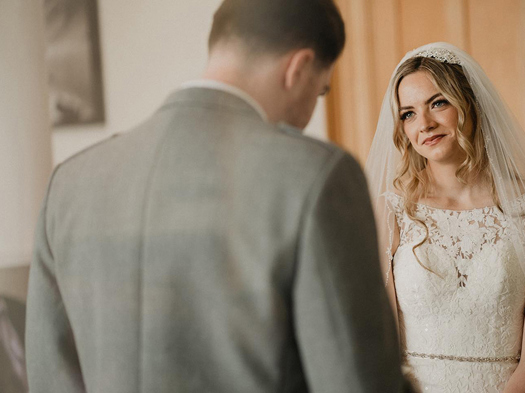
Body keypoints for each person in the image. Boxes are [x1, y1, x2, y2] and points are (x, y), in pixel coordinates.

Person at [26, 0, 409, 392]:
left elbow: (48, 377)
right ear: (298, 68)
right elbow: (356, 382)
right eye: (321, 90)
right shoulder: (316, 177)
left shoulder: (70, 184)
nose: (311, 110)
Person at [365, 42, 525, 392]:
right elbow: (378, 348)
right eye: (408, 113)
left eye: (438, 103)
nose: (424, 124)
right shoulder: (391, 211)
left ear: (470, 103)